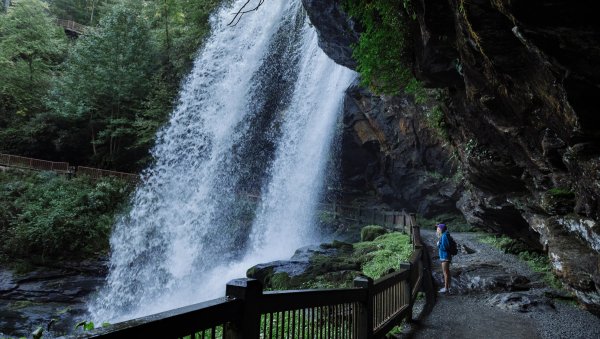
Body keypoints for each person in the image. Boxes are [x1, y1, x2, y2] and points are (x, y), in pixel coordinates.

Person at [436, 223, 452, 293]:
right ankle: (448, 287)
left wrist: (438, 244)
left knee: (445, 272)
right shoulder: (444, 235)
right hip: (445, 256)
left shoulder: (444, 236)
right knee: (447, 272)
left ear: (441, 229)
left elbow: (446, 247)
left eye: (437, 228)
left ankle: (446, 288)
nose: (437, 229)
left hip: (445, 257)